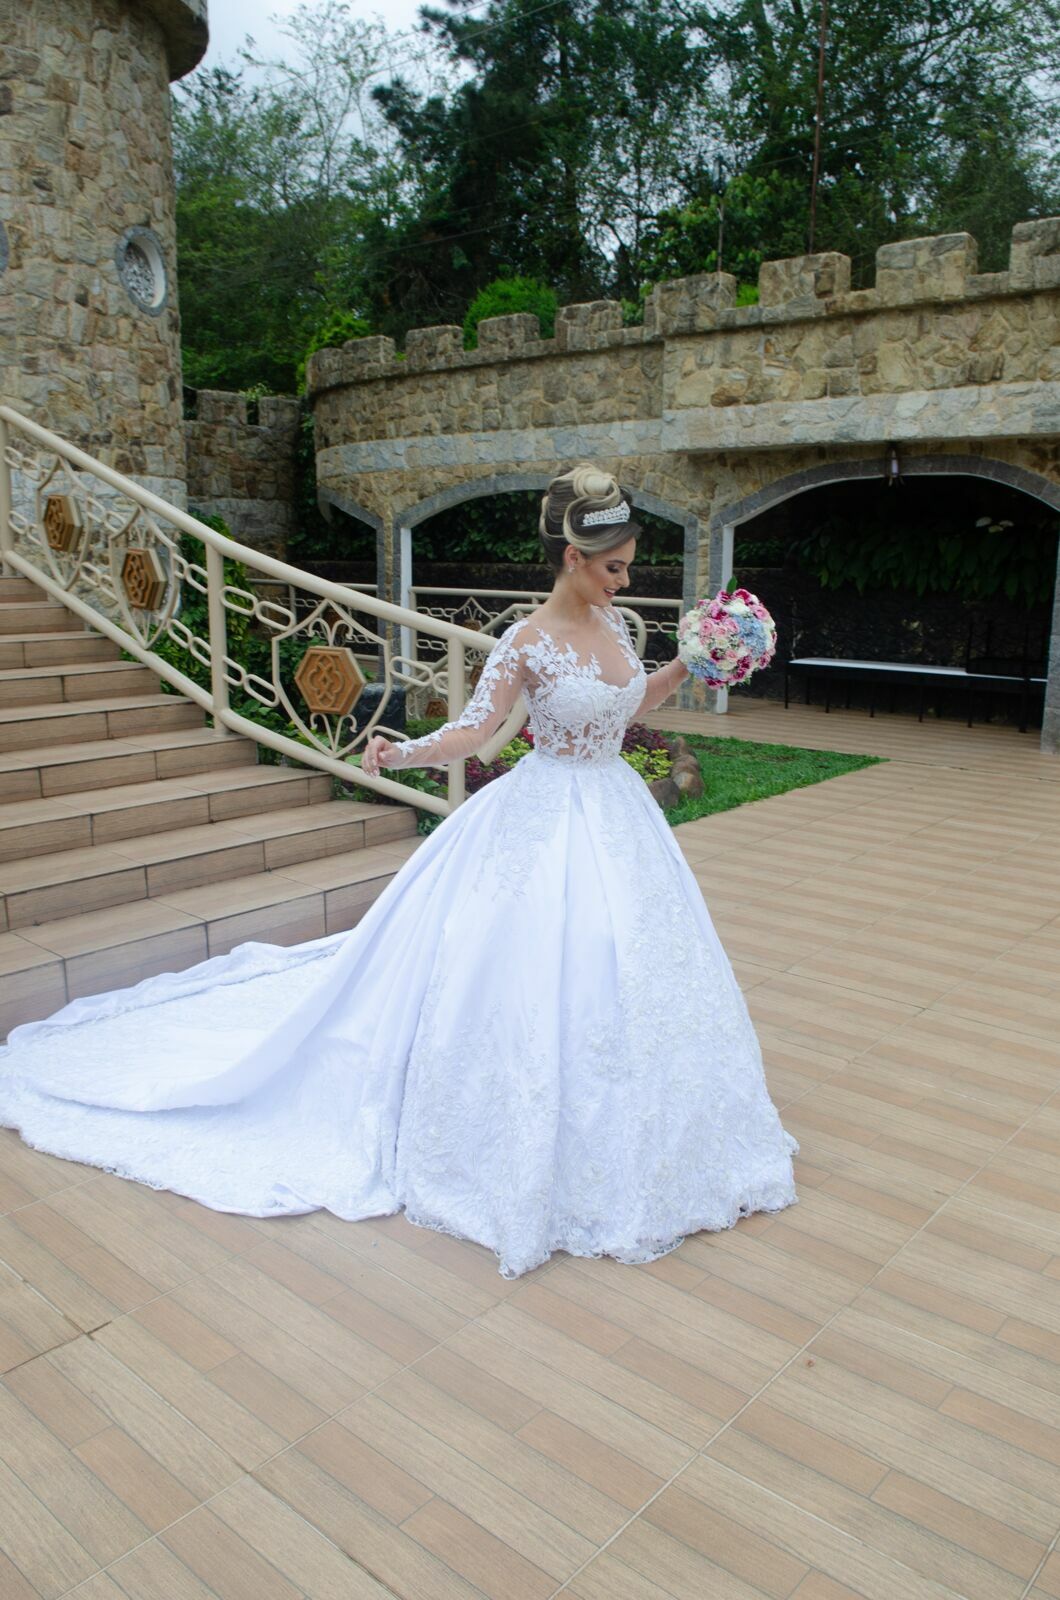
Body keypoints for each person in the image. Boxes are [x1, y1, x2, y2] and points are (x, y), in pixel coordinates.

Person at [0, 464, 796, 1279]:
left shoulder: (619, 627)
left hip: (617, 817)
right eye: (613, 566)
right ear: (569, 557)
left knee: (629, 966)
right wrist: (400, 750)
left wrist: (695, 664)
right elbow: (474, 732)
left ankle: (647, 1129)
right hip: (544, 815)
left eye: (627, 565)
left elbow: (632, 706)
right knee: (533, 972)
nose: (625, 581)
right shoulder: (526, 642)